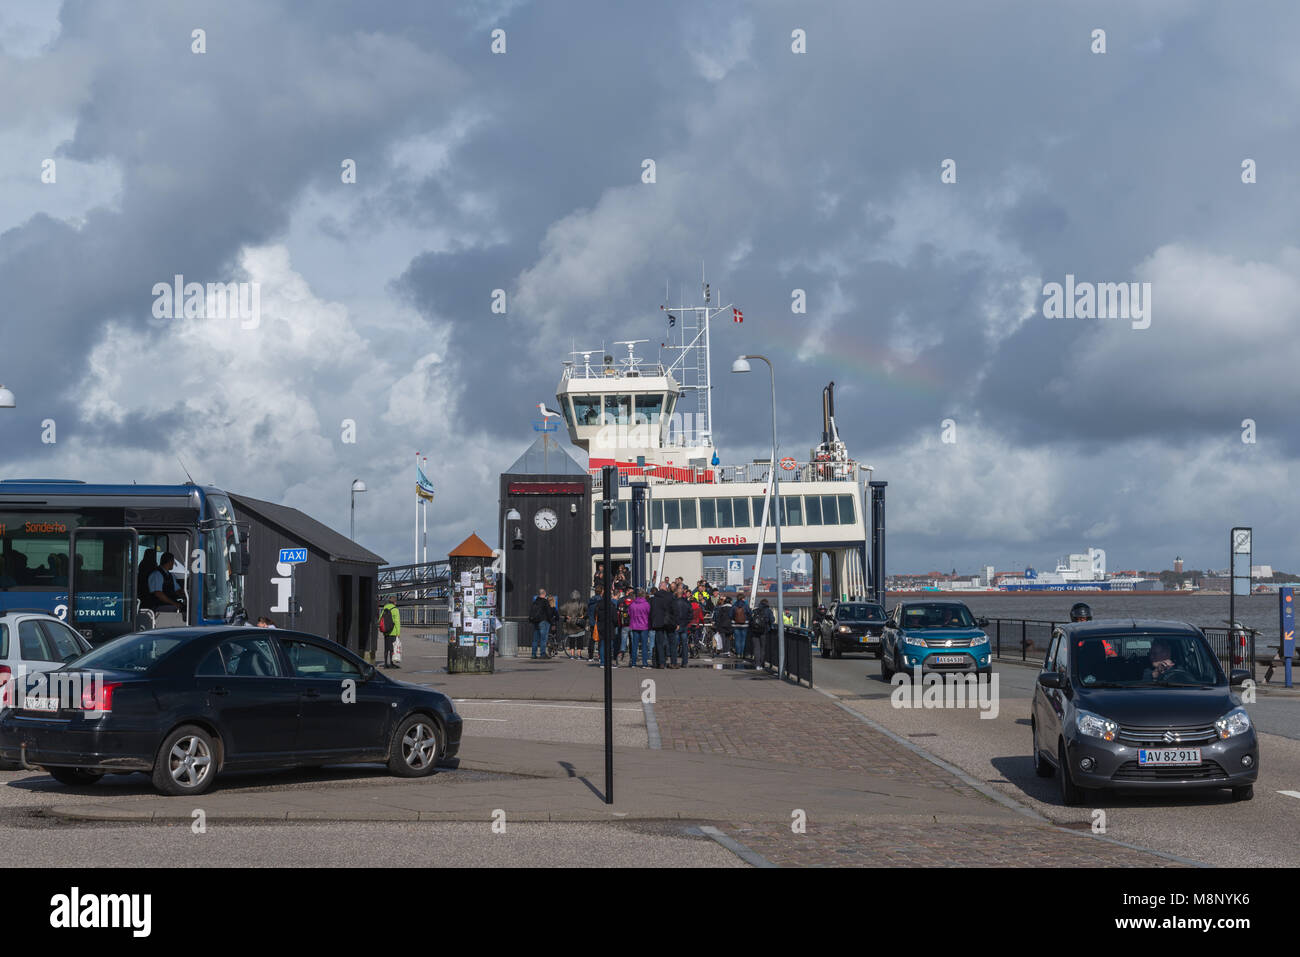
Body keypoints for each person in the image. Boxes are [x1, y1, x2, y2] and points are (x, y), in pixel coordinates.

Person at [649, 579, 676, 668]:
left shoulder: (654, 598)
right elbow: (674, 610)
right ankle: (673, 662)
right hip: (669, 622)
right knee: (672, 642)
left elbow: (652, 611)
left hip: (658, 622)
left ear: (659, 588)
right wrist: (676, 622)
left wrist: (652, 622)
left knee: (659, 643)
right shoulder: (671, 596)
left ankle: (661, 663)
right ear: (666, 587)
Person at [627, 587, 651, 667]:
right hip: (644, 626)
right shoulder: (646, 604)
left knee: (635, 645)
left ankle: (633, 663)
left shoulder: (632, 604)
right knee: (644, 646)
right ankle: (644, 663)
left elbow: (629, 614)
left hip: (634, 626)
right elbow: (649, 614)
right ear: (644, 595)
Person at [560, 590, 587, 660]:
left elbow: (560, 610)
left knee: (572, 640)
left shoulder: (567, 604)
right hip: (579, 623)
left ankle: (572, 655)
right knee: (580, 640)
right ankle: (579, 655)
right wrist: (583, 616)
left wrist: (566, 616)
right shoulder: (582, 604)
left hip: (570, 624)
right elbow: (587, 611)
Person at [672, 585, 693, 668]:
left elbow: (672, 614)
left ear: (677, 593)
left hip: (677, 625)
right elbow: (691, 614)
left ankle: (674, 661)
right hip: (684, 625)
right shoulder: (687, 602)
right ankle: (684, 662)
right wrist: (686, 622)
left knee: (675, 644)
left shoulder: (674, 602)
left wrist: (675, 623)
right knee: (684, 644)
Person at [528, 588, 550, 659]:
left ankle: (533, 654)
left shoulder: (535, 602)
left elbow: (531, 611)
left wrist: (531, 621)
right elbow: (548, 612)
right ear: (544, 594)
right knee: (543, 639)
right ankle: (542, 653)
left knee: (535, 639)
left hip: (535, 622)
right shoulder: (545, 601)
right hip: (543, 621)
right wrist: (551, 621)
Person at [378, 598, 401, 668]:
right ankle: (391, 663)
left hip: (386, 631)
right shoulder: (395, 610)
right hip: (393, 631)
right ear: (395, 602)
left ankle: (385, 663)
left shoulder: (385, 608)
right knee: (392, 648)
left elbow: (380, 619)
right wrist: (398, 632)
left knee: (386, 648)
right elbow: (397, 622)